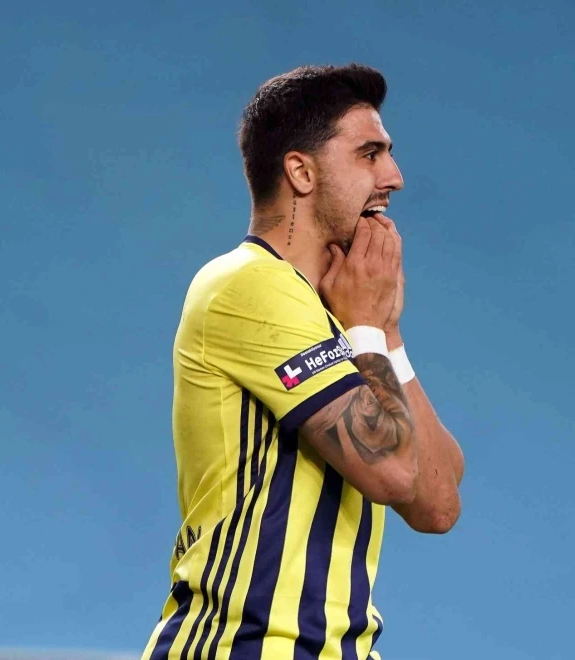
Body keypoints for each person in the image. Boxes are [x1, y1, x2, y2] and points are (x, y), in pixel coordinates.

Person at [141, 63, 464, 660]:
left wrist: (386, 333)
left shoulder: (341, 317)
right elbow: (394, 473)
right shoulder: (248, 284)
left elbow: (438, 504)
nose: (394, 177)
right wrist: (366, 327)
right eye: (370, 154)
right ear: (301, 172)